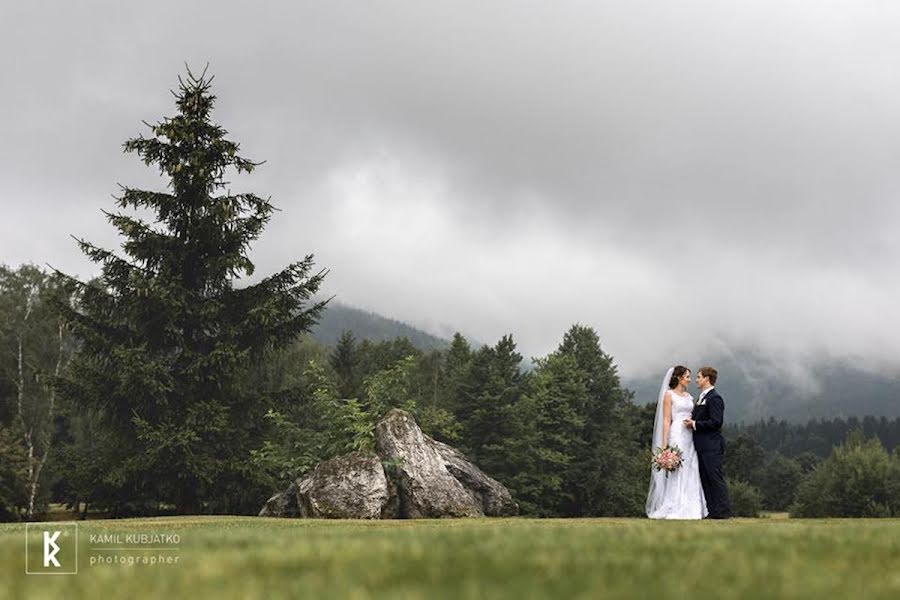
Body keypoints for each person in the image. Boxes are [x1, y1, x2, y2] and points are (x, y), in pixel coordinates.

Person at [646, 365, 707, 519]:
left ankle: (692, 506)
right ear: (679, 378)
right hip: (677, 434)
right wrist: (665, 443)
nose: (690, 380)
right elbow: (666, 420)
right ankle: (675, 504)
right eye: (687, 376)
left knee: (691, 466)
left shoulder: (689, 397)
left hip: (689, 434)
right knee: (678, 467)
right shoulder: (669, 395)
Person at [683, 366, 732, 519]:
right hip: (701, 446)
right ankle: (713, 511)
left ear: (707, 378)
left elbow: (717, 422)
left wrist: (695, 424)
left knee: (715, 478)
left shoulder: (715, 398)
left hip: (711, 445)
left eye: (698, 377)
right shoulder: (701, 397)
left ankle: (723, 511)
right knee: (705, 479)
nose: (696, 380)